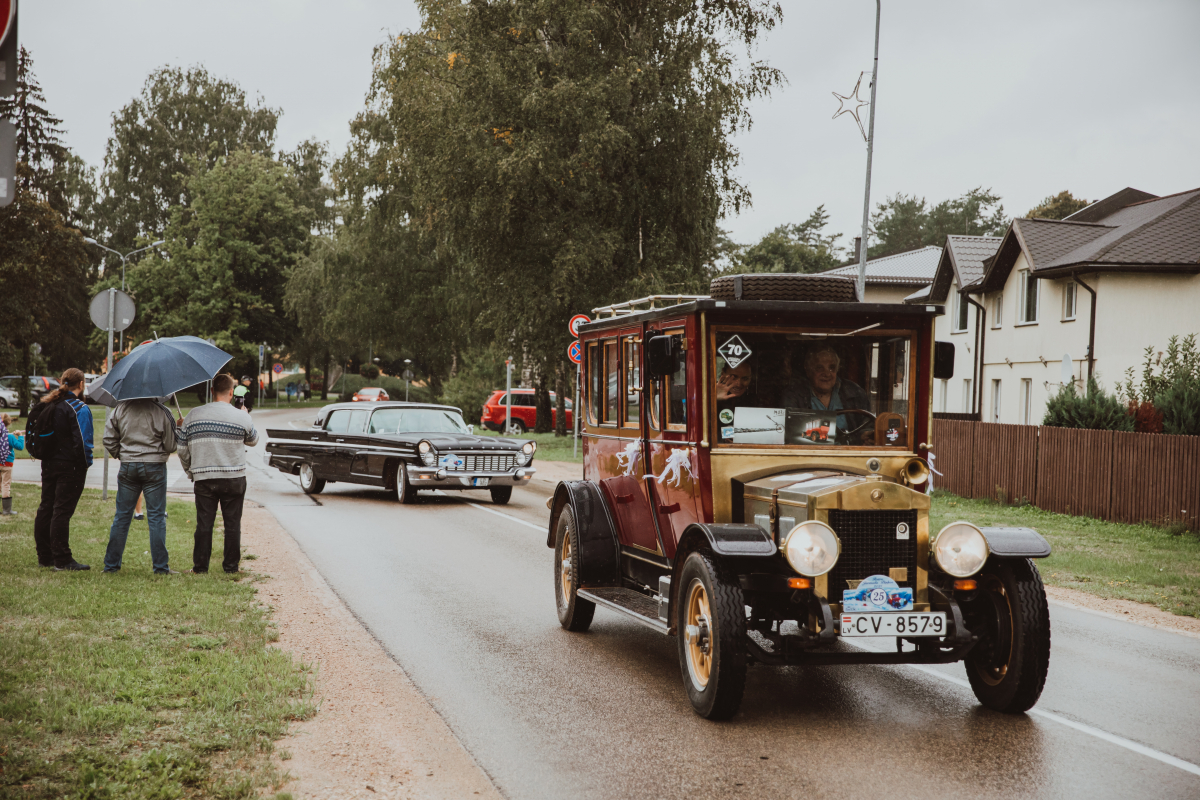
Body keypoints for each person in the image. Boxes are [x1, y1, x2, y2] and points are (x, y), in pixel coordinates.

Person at [178, 373, 258, 574]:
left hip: (205, 478)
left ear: (212, 391)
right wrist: (246, 416)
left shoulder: (193, 415)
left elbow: (181, 448)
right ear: (231, 392)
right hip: (234, 479)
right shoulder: (241, 416)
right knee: (232, 524)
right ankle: (231, 567)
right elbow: (253, 439)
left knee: (204, 523)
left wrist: (190, 470)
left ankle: (200, 567)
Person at [102, 397, 179, 574]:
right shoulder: (162, 411)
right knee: (156, 517)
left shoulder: (120, 409)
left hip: (128, 465)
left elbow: (108, 438)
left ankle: (111, 565)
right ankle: (160, 567)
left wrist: (121, 454)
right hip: (154, 466)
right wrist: (178, 429)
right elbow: (170, 445)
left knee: (122, 517)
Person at [32, 368, 94, 571]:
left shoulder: (51, 404)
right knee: (62, 511)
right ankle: (62, 558)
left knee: (47, 506)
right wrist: (85, 464)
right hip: (70, 466)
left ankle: (45, 555)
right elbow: (83, 442)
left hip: (49, 463)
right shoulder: (79, 408)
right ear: (82, 384)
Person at [783, 345, 873, 438]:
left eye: (832, 368)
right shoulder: (794, 395)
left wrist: (865, 435)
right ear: (808, 370)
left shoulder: (855, 392)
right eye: (819, 368)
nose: (826, 373)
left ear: (837, 369)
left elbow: (867, 425)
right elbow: (791, 433)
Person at [1, 413, 23, 515]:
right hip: (7, 464)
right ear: (9, 423)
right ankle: (6, 510)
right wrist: (20, 436)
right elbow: (20, 447)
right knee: (5, 484)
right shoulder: (10, 436)